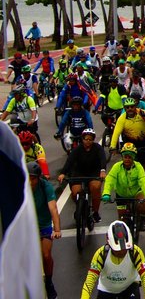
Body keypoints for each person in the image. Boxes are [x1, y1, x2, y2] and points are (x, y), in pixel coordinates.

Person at [80, 220, 145, 299]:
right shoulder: (101, 254)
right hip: (106, 291)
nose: (122, 252)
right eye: (118, 250)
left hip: (129, 288)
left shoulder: (135, 252)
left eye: (125, 249)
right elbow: (90, 280)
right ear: (110, 245)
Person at [102, 143, 145, 232]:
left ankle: (142, 220)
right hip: (121, 194)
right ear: (122, 157)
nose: (127, 159)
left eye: (130, 157)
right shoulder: (116, 167)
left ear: (133, 158)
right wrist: (106, 193)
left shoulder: (138, 167)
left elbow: (143, 181)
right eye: (125, 157)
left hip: (136, 193)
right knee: (122, 222)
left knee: (144, 204)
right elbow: (109, 180)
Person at [58, 128, 107, 223]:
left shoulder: (98, 148)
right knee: (75, 192)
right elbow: (69, 161)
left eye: (90, 139)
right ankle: (80, 206)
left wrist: (102, 170)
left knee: (95, 187)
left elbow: (103, 159)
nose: (88, 141)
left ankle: (95, 212)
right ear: (82, 139)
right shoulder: (77, 149)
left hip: (94, 172)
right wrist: (63, 173)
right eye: (86, 139)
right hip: (79, 172)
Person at [27, 161, 61, 299]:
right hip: (28, 225)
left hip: (44, 224)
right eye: (28, 177)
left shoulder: (45, 187)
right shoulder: (21, 186)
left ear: (38, 177)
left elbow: (53, 208)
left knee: (46, 255)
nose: (30, 181)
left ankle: (49, 281)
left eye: (33, 178)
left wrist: (57, 229)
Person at [110, 98, 145, 175]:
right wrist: (113, 146)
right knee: (128, 165)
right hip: (129, 145)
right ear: (125, 108)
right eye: (127, 107)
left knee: (143, 166)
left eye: (132, 107)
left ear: (135, 107)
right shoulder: (122, 118)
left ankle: (144, 181)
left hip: (142, 144)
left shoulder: (141, 112)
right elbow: (116, 132)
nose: (130, 109)